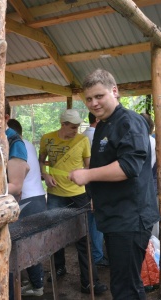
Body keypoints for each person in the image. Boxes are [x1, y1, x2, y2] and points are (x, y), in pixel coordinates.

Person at [69, 69, 160, 299]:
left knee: (125, 287)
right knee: (124, 283)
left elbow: (129, 167)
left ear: (114, 91)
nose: (94, 103)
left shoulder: (130, 121)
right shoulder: (102, 125)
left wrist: (87, 176)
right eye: (89, 99)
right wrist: (95, 198)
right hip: (114, 216)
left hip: (131, 218)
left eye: (99, 96)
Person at [39, 108, 108, 295]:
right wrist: (45, 175)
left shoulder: (83, 141)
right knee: (54, 236)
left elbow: (89, 168)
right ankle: (58, 268)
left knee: (84, 238)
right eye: (72, 127)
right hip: (55, 194)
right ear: (62, 124)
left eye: (78, 127)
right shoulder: (47, 138)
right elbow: (41, 160)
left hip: (79, 195)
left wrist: (91, 195)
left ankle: (89, 282)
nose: (76, 130)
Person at [7, 118, 46, 297]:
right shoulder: (29, 144)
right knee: (31, 245)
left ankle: (28, 286)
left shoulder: (16, 145)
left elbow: (16, 183)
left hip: (26, 201)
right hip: (38, 198)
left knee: (20, 247)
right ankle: (35, 284)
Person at [83, 112, 109, 267]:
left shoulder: (81, 135)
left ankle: (91, 252)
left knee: (89, 217)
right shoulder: (98, 137)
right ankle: (97, 255)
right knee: (97, 218)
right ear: (97, 119)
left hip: (84, 181)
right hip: (97, 181)